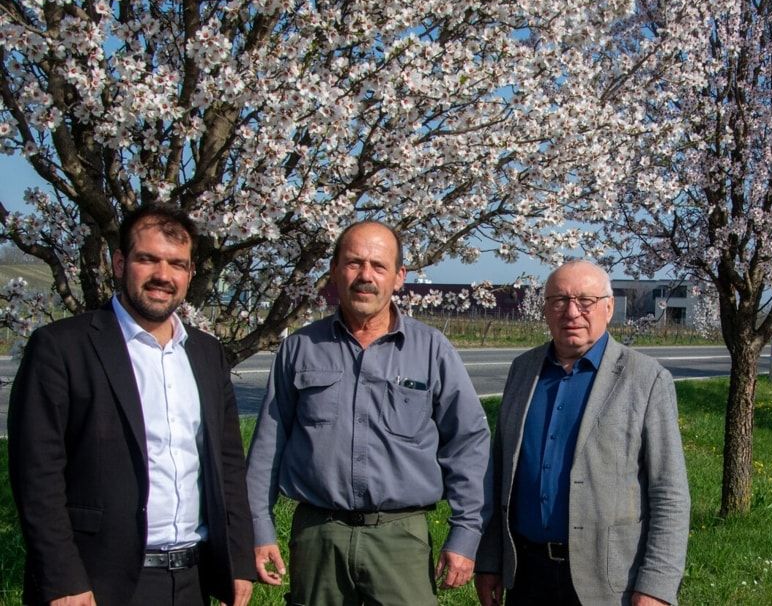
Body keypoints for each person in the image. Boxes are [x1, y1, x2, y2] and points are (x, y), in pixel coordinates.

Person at [7, 202, 255, 606]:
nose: (163, 275)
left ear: (190, 273)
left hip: (192, 579)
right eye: (148, 259)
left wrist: (238, 559)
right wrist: (63, 580)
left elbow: (228, 464)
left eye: (177, 264)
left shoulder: (206, 353)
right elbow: (37, 475)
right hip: (98, 582)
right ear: (120, 263)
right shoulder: (61, 348)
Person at [245, 220, 490, 605]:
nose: (365, 276)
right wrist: (258, 528)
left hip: (401, 538)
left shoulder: (432, 350)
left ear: (399, 277)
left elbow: (467, 443)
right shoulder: (300, 349)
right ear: (334, 271)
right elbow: (267, 446)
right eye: (354, 263)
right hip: (318, 536)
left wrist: (465, 533)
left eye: (378, 265)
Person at [474, 261, 691, 606]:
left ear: (609, 307)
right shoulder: (523, 370)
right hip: (526, 573)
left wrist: (657, 586)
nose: (572, 312)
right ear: (545, 309)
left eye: (585, 301)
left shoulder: (646, 379)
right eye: (559, 300)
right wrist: (489, 559)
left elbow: (669, 491)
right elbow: (499, 472)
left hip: (608, 581)